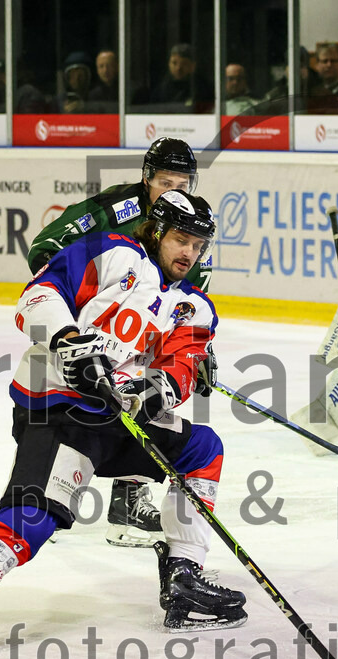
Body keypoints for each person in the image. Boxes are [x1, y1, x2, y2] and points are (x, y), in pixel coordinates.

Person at [0, 190, 246, 659]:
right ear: (156, 231)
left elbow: (182, 361)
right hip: (61, 408)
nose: (189, 253)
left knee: (202, 449)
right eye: (180, 239)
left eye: (198, 245)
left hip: (118, 418)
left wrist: (160, 390)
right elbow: (40, 295)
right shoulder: (110, 251)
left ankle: (183, 576)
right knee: (32, 520)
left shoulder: (194, 305)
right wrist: (70, 341)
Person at [27, 137, 214, 549]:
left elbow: (190, 304)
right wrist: (74, 316)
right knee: (65, 408)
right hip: (93, 331)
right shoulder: (116, 208)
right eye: (165, 182)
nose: (174, 191)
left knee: (149, 402)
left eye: (182, 184)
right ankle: (40, 495)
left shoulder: (191, 231)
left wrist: (199, 353)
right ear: (146, 178)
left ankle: (127, 503)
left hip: (145, 338)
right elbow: (47, 248)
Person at [148, 43, 213, 113]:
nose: (178, 68)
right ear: (169, 64)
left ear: (193, 66)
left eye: (184, 64)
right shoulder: (161, 90)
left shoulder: (202, 89)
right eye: (174, 63)